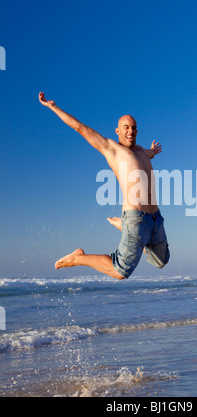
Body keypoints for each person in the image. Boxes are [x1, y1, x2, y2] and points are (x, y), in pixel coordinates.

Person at [39, 92, 170, 280]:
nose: (130, 131)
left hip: (155, 217)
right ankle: (79, 258)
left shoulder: (141, 150)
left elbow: (149, 154)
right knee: (120, 271)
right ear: (117, 131)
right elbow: (80, 128)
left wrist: (154, 152)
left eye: (133, 128)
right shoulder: (112, 149)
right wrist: (53, 107)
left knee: (161, 261)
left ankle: (125, 229)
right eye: (126, 127)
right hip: (136, 217)